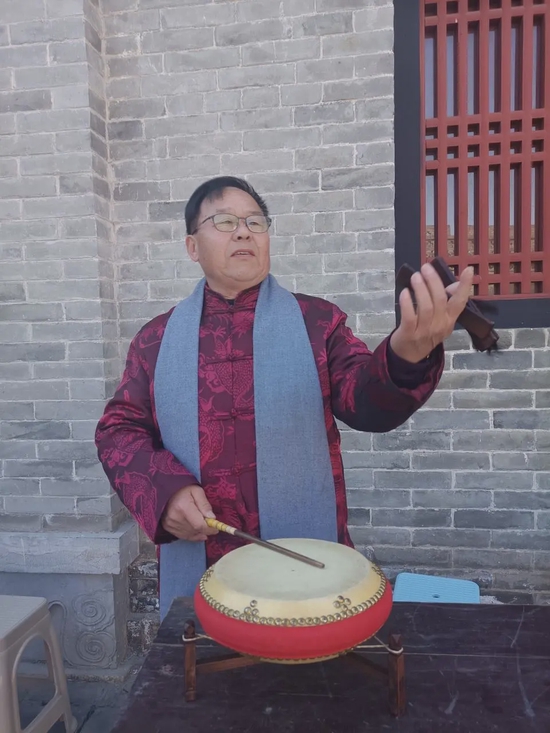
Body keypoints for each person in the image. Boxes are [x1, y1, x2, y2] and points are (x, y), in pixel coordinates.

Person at [95, 176, 473, 618]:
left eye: (255, 222)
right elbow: (118, 432)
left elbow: (365, 403)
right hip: (205, 565)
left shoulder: (318, 323)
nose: (244, 232)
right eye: (225, 221)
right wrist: (166, 493)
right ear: (192, 247)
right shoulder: (156, 341)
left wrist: (405, 355)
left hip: (305, 562)